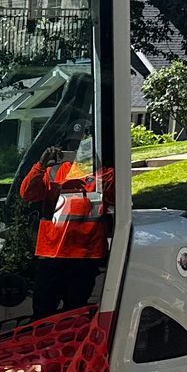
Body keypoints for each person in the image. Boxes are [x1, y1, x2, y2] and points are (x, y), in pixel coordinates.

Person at [19, 136, 114, 318]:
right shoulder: (53, 171)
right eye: (73, 146)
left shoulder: (104, 174)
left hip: (84, 256)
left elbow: (116, 196)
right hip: (53, 254)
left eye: (84, 146)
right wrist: (41, 165)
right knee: (43, 313)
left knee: (75, 314)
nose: (78, 151)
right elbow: (27, 194)